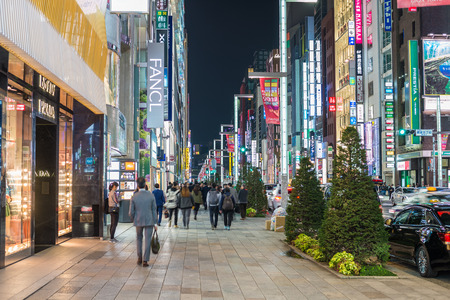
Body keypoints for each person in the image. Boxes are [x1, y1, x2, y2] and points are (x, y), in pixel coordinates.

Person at [129, 177, 158, 267]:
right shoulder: (150, 195)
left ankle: (139, 258)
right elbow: (154, 209)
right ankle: (145, 260)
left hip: (138, 220)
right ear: (145, 185)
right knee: (147, 239)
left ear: (137, 185)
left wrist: (133, 218)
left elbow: (131, 212)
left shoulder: (134, 196)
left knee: (139, 238)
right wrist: (155, 222)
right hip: (149, 220)